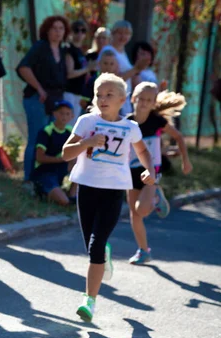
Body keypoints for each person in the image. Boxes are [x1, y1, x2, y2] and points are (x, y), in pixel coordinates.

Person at [62, 73, 155, 322]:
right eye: (98, 94)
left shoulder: (130, 127)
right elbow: (65, 153)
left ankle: (89, 301)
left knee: (95, 247)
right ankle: (104, 254)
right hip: (87, 189)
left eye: (109, 95)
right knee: (92, 246)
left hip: (114, 191)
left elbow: (143, 151)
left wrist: (150, 170)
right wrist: (88, 142)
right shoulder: (86, 121)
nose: (102, 99)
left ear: (123, 99)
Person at [126, 83, 192, 264]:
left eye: (149, 100)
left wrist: (185, 160)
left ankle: (155, 197)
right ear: (133, 99)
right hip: (131, 172)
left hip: (151, 170)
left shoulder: (157, 121)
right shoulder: (127, 122)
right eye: (141, 99)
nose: (144, 103)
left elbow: (178, 136)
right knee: (135, 214)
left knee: (142, 209)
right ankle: (143, 250)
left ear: (154, 102)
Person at [17, 15, 71, 181]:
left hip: (54, 103)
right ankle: (28, 179)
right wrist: (39, 89)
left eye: (61, 28)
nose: (57, 32)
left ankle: (45, 178)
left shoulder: (62, 52)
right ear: (47, 30)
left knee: (51, 142)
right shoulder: (40, 47)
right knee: (36, 139)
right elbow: (23, 68)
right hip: (37, 100)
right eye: (54, 28)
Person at [98, 20, 149, 116]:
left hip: (124, 99)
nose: (123, 36)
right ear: (113, 33)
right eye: (120, 33)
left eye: (127, 33)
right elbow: (113, 79)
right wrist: (135, 69)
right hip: (111, 100)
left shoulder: (123, 52)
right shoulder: (109, 51)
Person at [31, 100, 77, 206]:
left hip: (60, 169)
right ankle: (41, 191)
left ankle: (72, 195)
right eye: (61, 113)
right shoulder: (46, 131)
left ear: (72, 116)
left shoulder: (71, 131)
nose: (64, 117)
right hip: (44, 171)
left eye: (67, 114)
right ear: (55, 114)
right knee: (63, 201)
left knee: (82, 167)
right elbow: (40, 157)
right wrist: (62, 159)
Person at [65, 20, 98, 124]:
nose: (80, 33)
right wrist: (87, 69)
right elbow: (69, 73)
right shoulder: (69, 49)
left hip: (78, 93)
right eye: (76, 30)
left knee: (73, 126)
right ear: (71, 32)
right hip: (69, 93)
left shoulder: (80, 51)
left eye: (83, 31)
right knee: (67, 125)